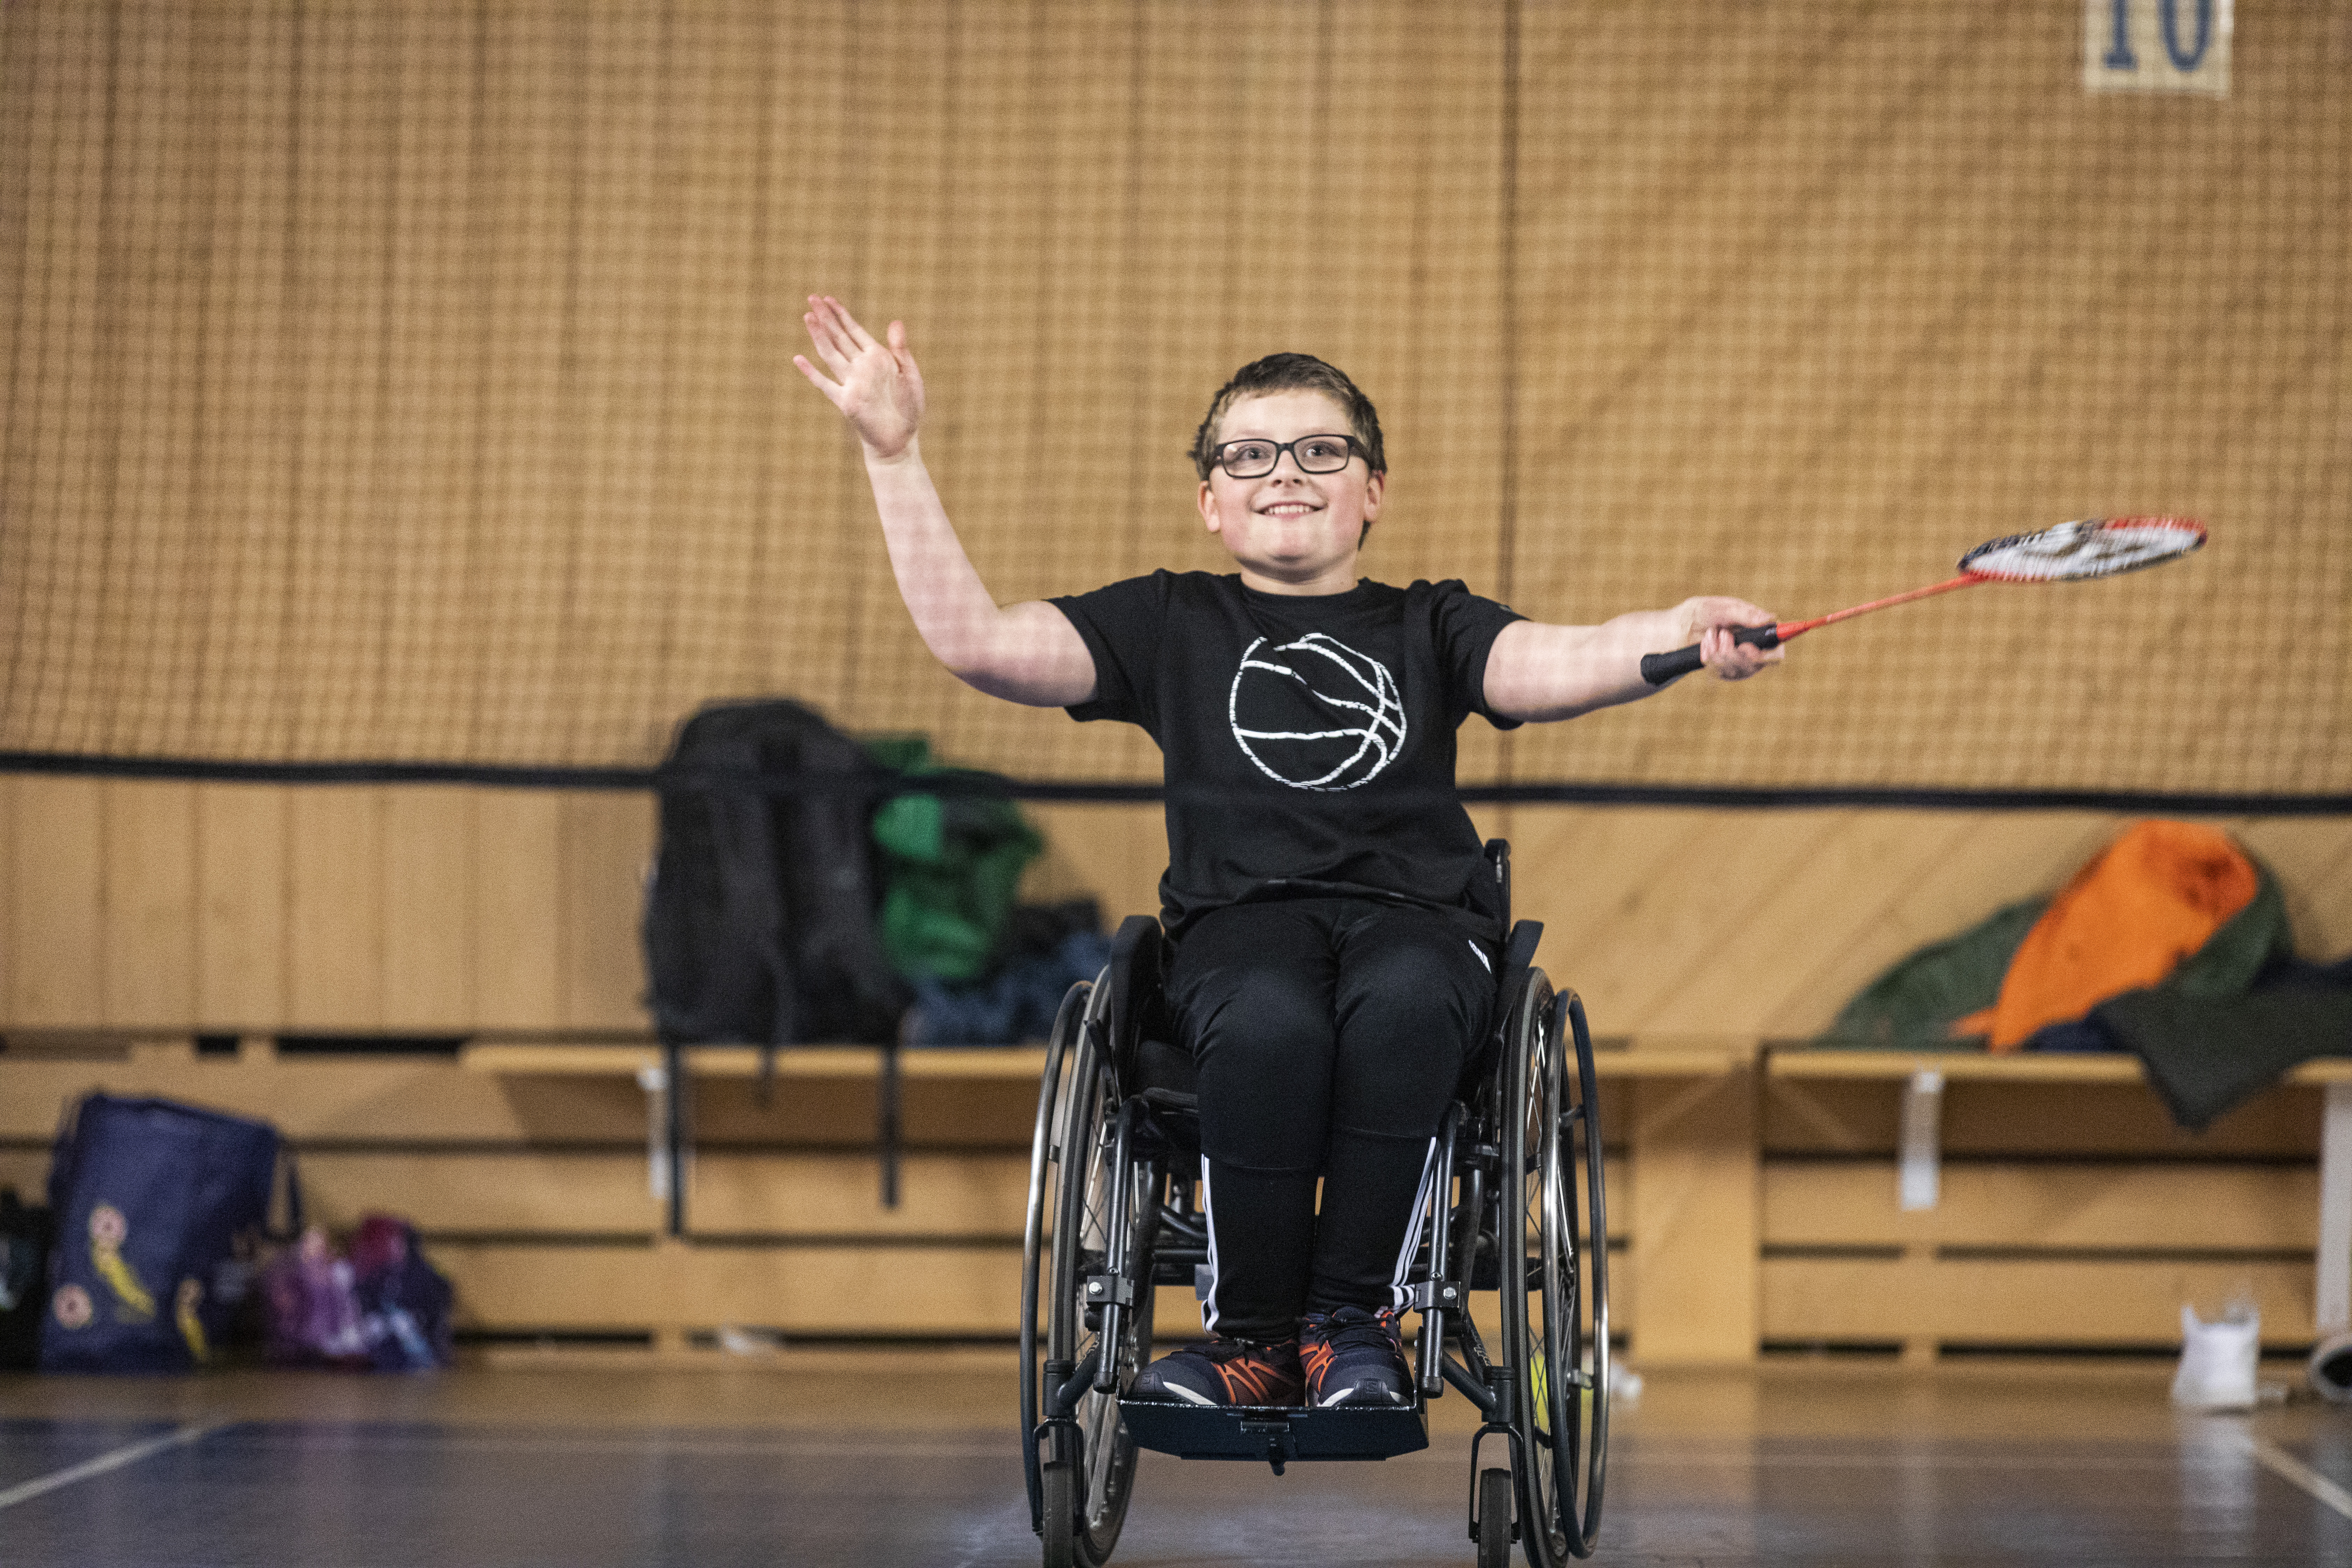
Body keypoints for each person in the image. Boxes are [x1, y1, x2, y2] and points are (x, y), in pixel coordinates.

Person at [794, 296, 1779, 1410]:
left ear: (1373, 492)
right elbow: (976, 640)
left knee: (1403, 1002)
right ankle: (1253, 1342)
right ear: (1211, 502)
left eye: (1323, 450)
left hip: (1425, 925)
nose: (1287, 473)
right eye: (1249, 454)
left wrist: (1678, 633)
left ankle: (1349, 1329)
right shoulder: (1168, 623)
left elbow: (1556, 662)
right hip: (1238, 928)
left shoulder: (1433, 625)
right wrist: (894, 452)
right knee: (1267, 1016)